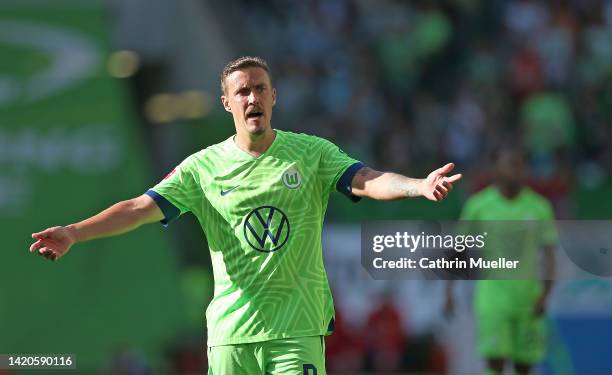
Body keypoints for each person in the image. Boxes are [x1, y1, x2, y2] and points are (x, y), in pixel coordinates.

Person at [30, 56, 462, 375]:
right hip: (231, 335)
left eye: (259, 88)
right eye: (242, 91)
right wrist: (74, 232)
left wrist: (417, 186)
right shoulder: (202, 167)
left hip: (296, 330)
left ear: (273, 96)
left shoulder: (311, 153)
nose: (252, 97)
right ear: (227, 103)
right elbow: (139, 208)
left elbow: (366, 179)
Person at [445, 147, 557, 375]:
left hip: (528, 297)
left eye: (519, 164)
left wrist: (546, 293)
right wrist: (449, 290)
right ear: (497, 168)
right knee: (495, 361)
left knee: (524, 365)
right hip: (492, 297)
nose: (515, 170)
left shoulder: (539, 207)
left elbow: (549, 255)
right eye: (509, 163)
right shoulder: (478, 205)